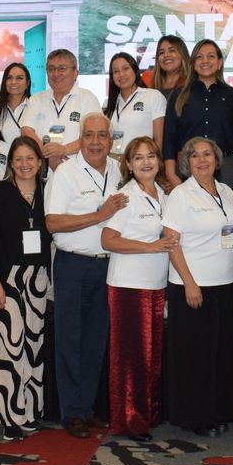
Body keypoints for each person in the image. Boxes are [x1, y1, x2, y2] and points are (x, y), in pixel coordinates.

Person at [45, 113, 126, 438]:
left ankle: (87, 406)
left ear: (110, 140)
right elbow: (52, 223)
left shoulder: (119, 170)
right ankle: (71, 413)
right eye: (89, 135)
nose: (95, 142)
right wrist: (100, 215)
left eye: (101, 135)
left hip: (108, 265)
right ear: (81, 138)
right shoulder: (65, 172)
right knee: (70, 340)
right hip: (73, 265)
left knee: (95, 340)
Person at [161, 137, 233, 437]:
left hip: (225, 285)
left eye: (208, 154)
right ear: (187, 162)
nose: (202, 160)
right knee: (196, 358)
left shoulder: (227, 191)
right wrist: (190, 284)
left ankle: (220, 411)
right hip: (193, 287)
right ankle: (196, 418)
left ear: (217, 159)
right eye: (195, 156)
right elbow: (172, 243)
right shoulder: (181, 195)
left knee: (222, 353)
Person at [0, 136, 51, 441]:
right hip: (7, 279)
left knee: (32, 349)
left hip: (39, 280)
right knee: (6, 350)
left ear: (39, 161)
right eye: (18, 159)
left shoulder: (50, 190)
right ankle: (8, 416)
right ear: (10, 163)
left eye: (30, 158)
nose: (24, 164)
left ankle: (28, 412)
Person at [101, 137, 174, 441]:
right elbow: (108, 240)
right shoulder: (125, 196)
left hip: (157, 284)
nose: (146, 162)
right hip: (129, 286)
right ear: (128, 165)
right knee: (132, 358)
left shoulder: (165, 194)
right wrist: (150, 247)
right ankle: (129, 420)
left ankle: (147, 413)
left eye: (151, 156)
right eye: (139, 158)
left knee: (152, 356)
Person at [163, 40, 233, 189]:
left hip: (225, 167)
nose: (205, 61)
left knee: (227, 211)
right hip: (187, 168)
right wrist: (171, 174)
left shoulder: (232, 96)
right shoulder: (178, 95)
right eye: (199, 57)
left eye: (211, 56)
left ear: (219, 63)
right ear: (193, 63)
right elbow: (169, 137)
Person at [20, 49, 102, 173]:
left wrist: (64, 150)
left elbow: (94, 136)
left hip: (79, 173)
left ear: (75, 73)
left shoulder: (87, 98)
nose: (56, 74)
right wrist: (50, 154)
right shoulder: (37, 99)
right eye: (51, 69)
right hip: (41, 173)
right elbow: (26, 131)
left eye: (62, 68)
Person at [103, 52, 166, 158]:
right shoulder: (109, 104)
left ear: (135, 70)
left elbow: (159, 140)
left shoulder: (152, 96)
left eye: (125, 68)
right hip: (112, 162)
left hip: (140, 161)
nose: (121, 74)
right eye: (116, 71)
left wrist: (154, 165)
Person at [0, 62, 32, 143]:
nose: (13, 82)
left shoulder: (35, 106)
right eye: (9, 78)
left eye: (19, 78)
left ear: (28, 83)